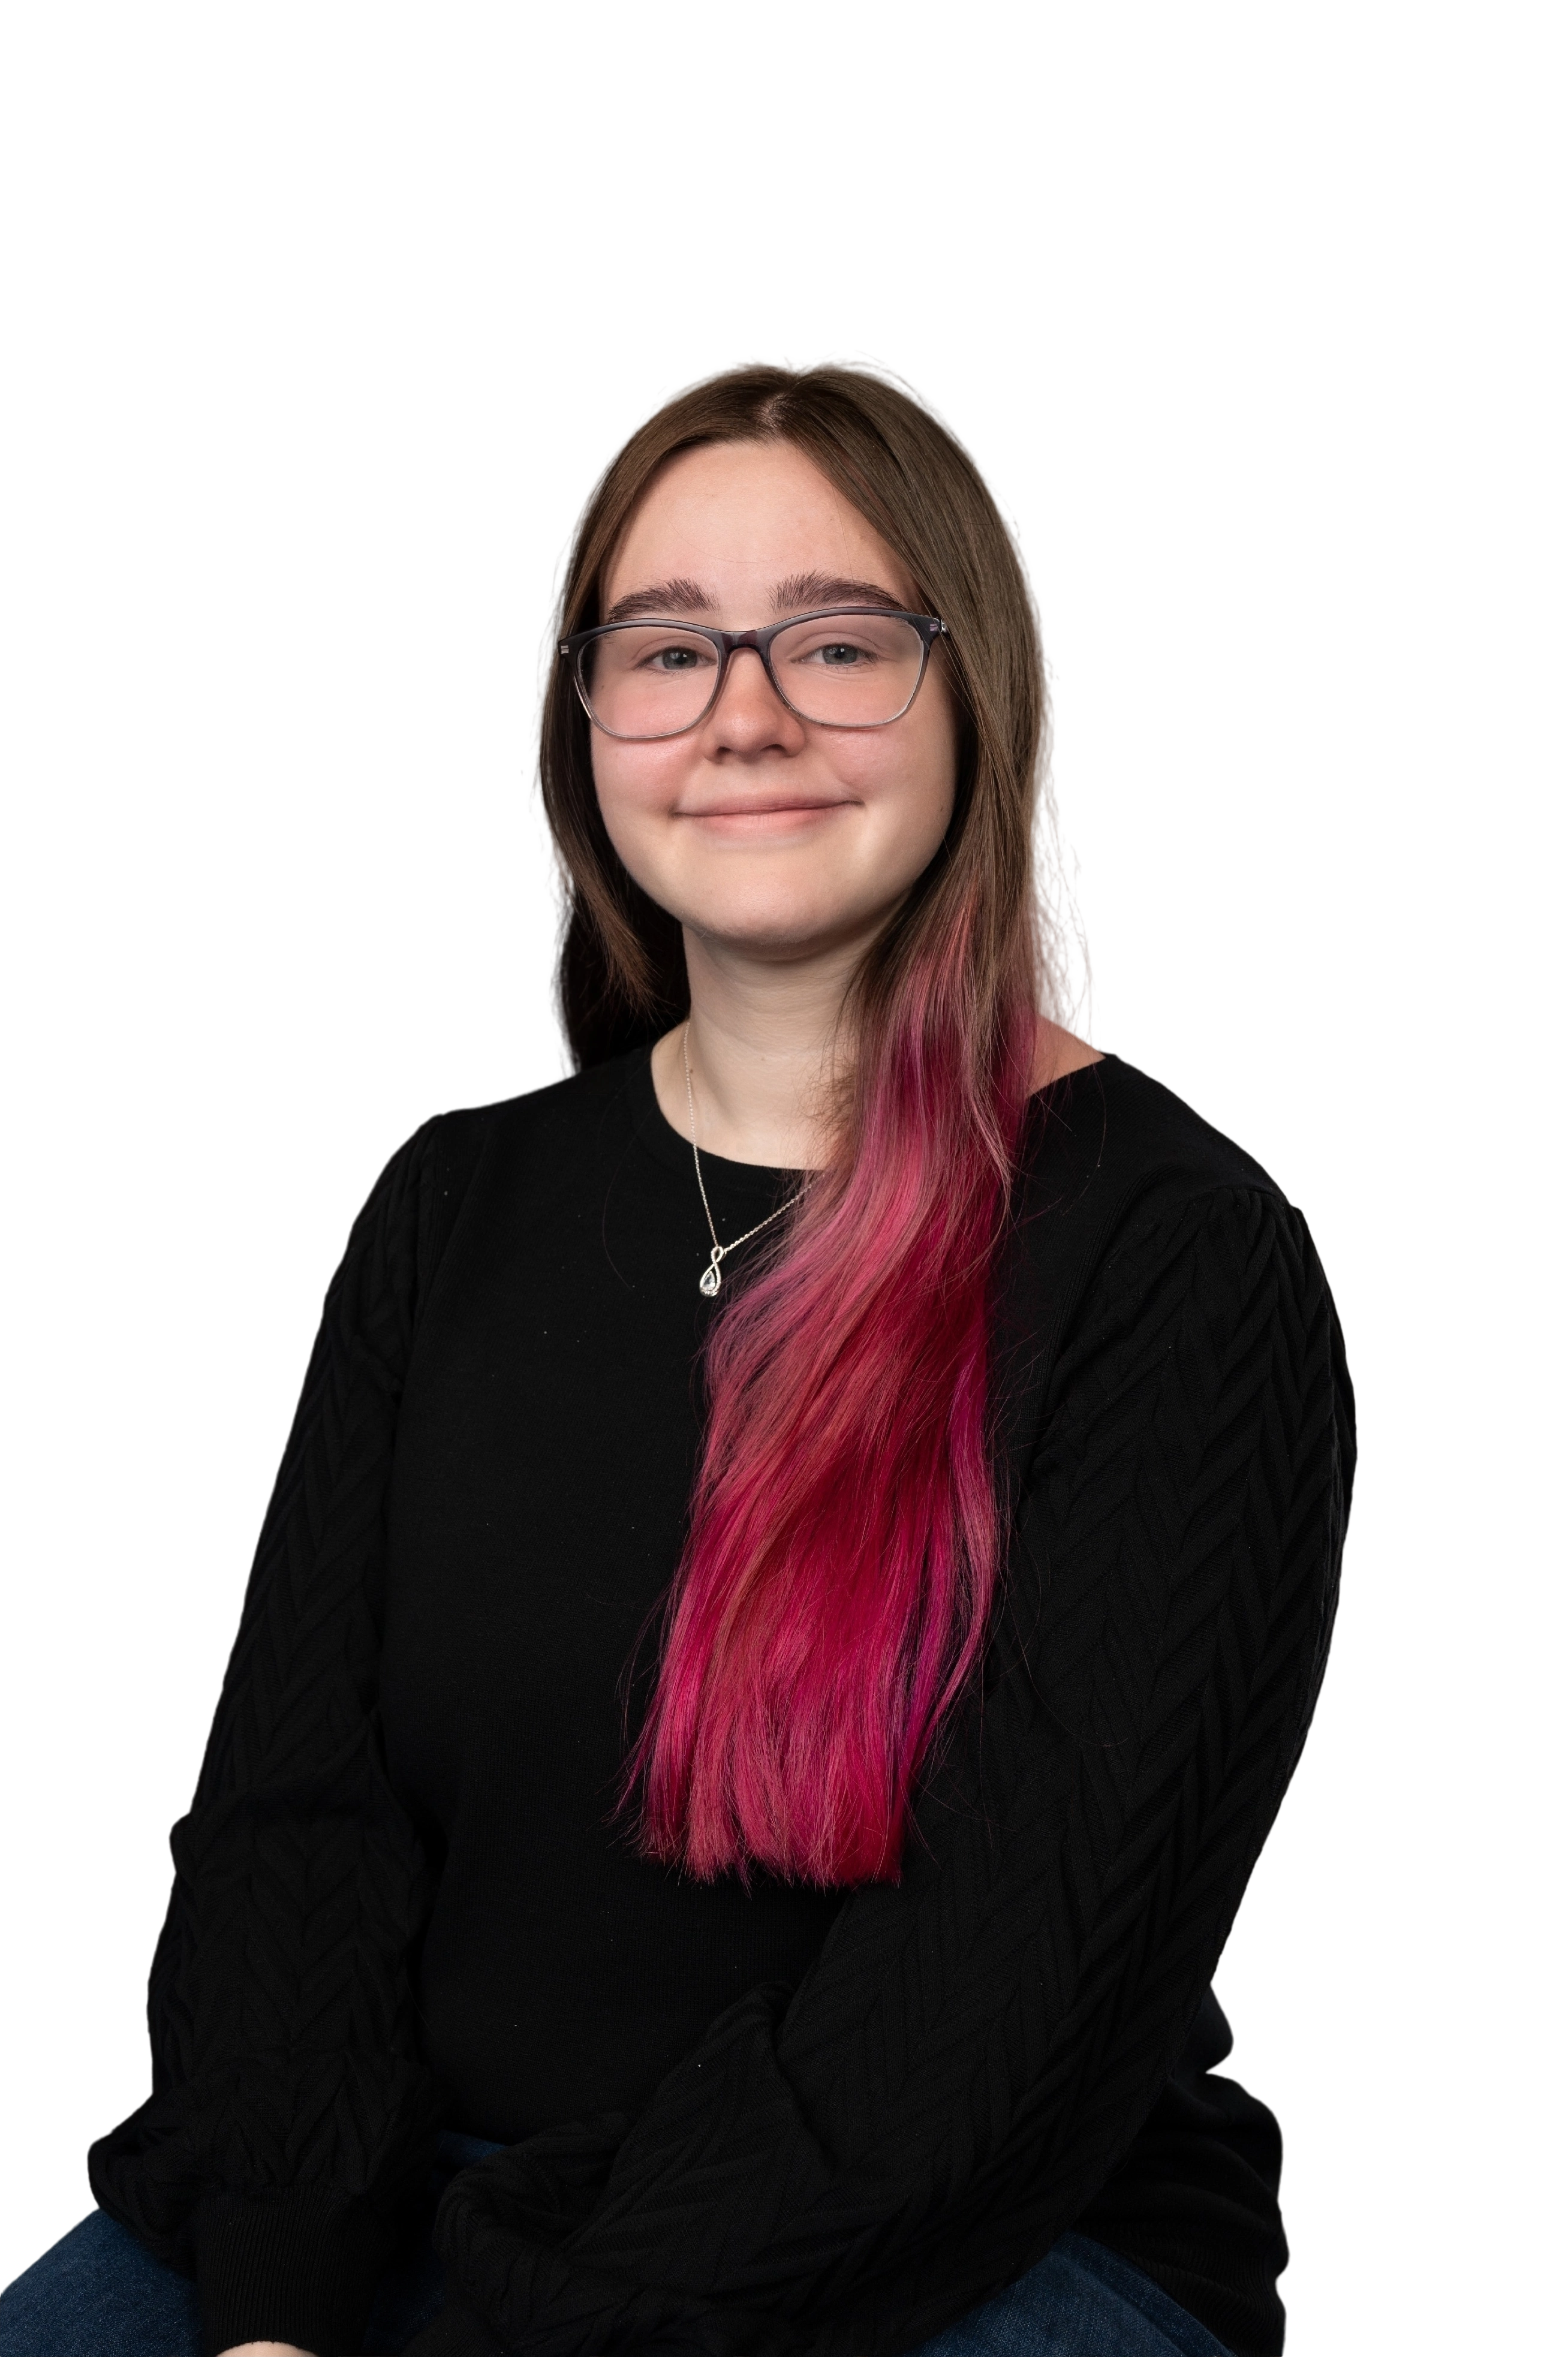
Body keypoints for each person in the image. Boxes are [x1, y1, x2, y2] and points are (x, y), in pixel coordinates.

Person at [0, 350, 1356, 2357]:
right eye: (665, 649)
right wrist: (282, 2291)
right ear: (582, 735)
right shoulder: (451, 1203)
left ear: (975, 691)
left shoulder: (1174, 1257)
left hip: (966, 2238)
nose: (743, 714)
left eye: (836, 642)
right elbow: (297, 1827)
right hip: (426, 2186)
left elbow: (1003, 2003)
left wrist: (540, 2327)